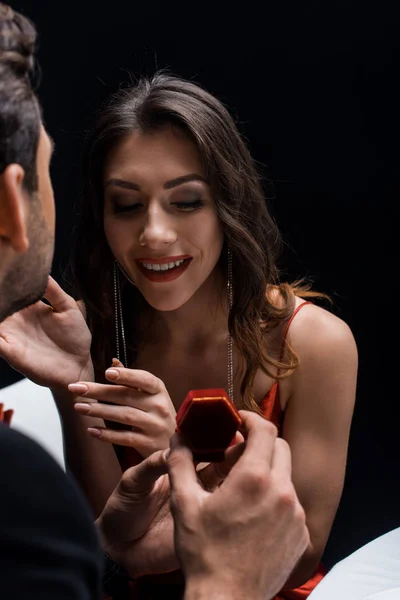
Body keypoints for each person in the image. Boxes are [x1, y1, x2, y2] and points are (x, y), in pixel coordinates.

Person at [0, 55, 358, 600]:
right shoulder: (89, 334)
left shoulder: (315, 342)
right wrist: (68, 380)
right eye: (126, 206)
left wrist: (183, 456)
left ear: (227, 206)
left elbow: (297, 552)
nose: (155, 234)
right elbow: (107, 540)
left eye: (186, 201)